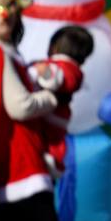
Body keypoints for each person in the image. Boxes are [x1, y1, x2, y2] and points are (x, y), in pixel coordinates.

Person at [0, 0, 61, 221]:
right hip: (21, 169)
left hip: (10, 174)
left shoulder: (0, 52)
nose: (2, 16)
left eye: (8, 8)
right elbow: (20, 106)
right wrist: (49, 98)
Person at [28, 25, 93, 176]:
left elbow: (55, 79)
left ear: (54, 47)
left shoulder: (62, 67)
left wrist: (38, 71)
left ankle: (53, 161)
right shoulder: (74, 70)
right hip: (56, 115)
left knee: (52, 141)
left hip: (51, 113)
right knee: (54, 139)